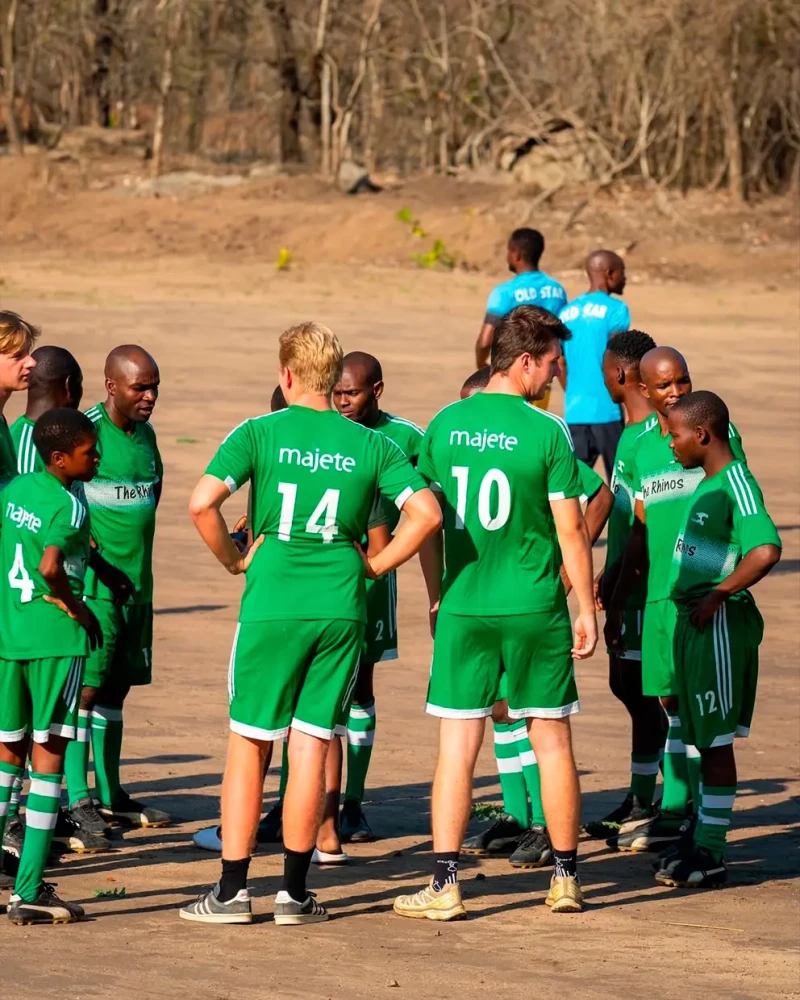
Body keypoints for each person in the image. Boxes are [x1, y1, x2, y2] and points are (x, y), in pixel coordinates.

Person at [180, 321, 440, 926]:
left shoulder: (258, 432)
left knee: (249, 743)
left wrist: (234, 559)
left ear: (287, 374)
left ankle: (231, 893)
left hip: (273, 603)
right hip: (341, 607)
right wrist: (375, 565)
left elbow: (201, 504)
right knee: (312, 743)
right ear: (332, 377)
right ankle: (294, 894)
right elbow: (425, 513)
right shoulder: (373, 446)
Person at [394, 306, 598, 921]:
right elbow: (572, 531)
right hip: (535, 605)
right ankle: (564, 878)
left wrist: (436, 594)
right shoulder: (548, 431)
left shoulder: (446, 423)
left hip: (465, 607)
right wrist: (584, 607)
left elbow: (423, 521)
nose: (556, 376)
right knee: (553, 741)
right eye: (553, 364)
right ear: (525, 361)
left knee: (458, 747)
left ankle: (446, 883)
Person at [456, 365, 612, 869]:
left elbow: (601, 494)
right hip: (482, 597)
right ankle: (517, 814)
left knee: (536, 718)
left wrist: (569, 573)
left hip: (526, 597)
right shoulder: (465, 440)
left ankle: (547, 825)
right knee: (500, 711)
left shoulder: (536, 438)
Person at [604, 348, 745, 866]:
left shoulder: (714, 434)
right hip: (657, 601)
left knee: (703, 719)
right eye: (664, 385)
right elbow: (639, 529)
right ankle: (675, 812)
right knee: (669, 704)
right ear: (643, 386)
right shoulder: (641, 447)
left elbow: (733, 514)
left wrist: (705, 581)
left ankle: (688, 817)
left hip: (703, 604)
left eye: (682, 380)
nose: (676, 392)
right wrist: (617, 596)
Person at [653, 391, 781, 888]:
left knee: (716, 742)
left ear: (702, 434)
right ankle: (698, 836)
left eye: (676, 435)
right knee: (694, 732)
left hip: (717, 628)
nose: (671, 446)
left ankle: (711, 853)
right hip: (692, 622)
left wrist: (718, 595)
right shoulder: (705, 485)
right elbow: (708, 554)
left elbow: (766, 549)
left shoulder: (735, 481)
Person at [0, 408, 103, 924]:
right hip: (56, 642)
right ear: (61, 458)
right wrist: (78, 607)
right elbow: (48, 566)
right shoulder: (71, 507)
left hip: (9, 636)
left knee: (6, 753)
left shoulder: (16, 490)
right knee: (48, 761)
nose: (98, 457)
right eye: (90, 451)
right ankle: (30, 890)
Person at [64, 346, 167, 844]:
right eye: (140, 387)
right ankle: (75, 798)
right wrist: (95, 564)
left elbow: (153, 492)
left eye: (154, 388)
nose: (149, 397)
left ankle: (112, 792)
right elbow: (60, 502)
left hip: (137, 586)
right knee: (84, 693)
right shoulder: (85, 433)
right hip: (97, 591)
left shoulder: (146, 436)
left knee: (117, 689)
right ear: (111, 385)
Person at [332, 350, 425, 842]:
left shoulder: (407, 438)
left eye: (352, 392)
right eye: (337, 392)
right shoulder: (325, 428)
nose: (342, 401)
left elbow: (434, 505)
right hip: (320, 578)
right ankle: (304, 802)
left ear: (377, 391)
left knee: (361, 688)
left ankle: (353, 802)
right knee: (316, 692)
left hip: (373, 580)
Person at [585, 330, 666, 839]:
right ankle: (641, 798)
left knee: (649, 691)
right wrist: (606, 570)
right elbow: (622, 518)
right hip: (626, 580)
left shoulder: (650, 438)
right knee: (627, 685)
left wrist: (617, 592)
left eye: (604, 368)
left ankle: (669, 807)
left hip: (645, 589)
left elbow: (644, 530)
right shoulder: (630, 435)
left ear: (619, 374)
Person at [474, 229, 567, 412]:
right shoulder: (557, 290)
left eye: (509, 251)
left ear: (516, 254)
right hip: (543, 379)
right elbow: (562, 341)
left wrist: (481, 367)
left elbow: (485, 340)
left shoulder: (504, 292)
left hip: (510, 381)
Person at [558, 250, 630, 479]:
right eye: (622, 272)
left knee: (576, 487)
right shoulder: (616, 309)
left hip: (575, 412)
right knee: (622, 485)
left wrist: (572, 391)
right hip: (607, 411)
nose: (625, 278)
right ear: (609, 274)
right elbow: (617, 358)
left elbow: (560, 360)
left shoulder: (566, 312)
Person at [10, 346, 83, 475]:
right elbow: (26, 495)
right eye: (79, 383)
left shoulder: (59, 433)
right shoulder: (26, 446)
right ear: (69, 385)